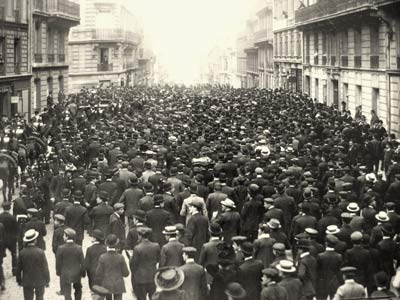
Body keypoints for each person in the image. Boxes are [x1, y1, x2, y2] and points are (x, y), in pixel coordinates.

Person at [16, 229, 50, 300]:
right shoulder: (40, 252)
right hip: (39, 280)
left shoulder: (22, 253)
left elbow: (18, 268)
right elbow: (45, 268)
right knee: (40, 297)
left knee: (28, 298)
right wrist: (47, 280)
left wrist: (19, 280)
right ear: (35, 240)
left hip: (27, 281)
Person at [95, 234, 130, 300]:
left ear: (106, 243)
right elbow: (126, 273)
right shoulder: (120, 257)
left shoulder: (102, 257)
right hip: (119, 284)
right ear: (116, 243)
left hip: (107, 284)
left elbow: (98, 273)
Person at [130, 227, 160, 300]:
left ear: (140, 236)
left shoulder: (137, 248)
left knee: (141, 298)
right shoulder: (156, 246)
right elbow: (159, 259)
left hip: (140, 278)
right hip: (152, 276)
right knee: (153, 297)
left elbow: (134, 264)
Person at [56, 228, 85, 300]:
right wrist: (83, 273)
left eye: (64, 235)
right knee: (78, 288)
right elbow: (83, 262)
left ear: (67, 236)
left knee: (67, 291)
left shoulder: (61, 248)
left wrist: (59, 272)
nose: (63, 236)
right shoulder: (79, 248)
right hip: (76, 273)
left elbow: (58, 263)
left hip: (65, 273)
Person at [0, 201, 18, 277]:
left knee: (0, 255)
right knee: (14, 255)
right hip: (11, 240)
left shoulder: (0, 217)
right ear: (10, 208)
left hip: (2, 240)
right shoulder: (13, 218)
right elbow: (17, 229)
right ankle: (14, 270)